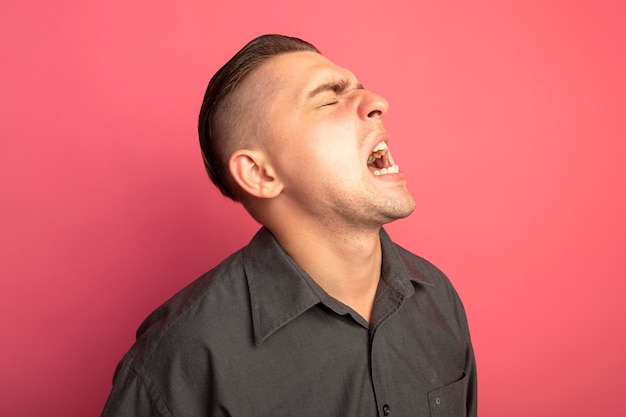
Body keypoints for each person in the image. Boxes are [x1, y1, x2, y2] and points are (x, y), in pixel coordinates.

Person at [101, 34, 477, 417]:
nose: (379, 102)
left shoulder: (438, 299)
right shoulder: (181, 358)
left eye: (360, 90)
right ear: (260, 173)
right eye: (330, 98)